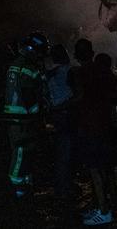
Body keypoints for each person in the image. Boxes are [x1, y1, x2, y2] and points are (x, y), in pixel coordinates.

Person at [75, 52, 117, 226]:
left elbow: (80, 99)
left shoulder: (88, 77)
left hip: (94, 131)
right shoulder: (109, 80)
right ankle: (111, 204)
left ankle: (103, 212)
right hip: (108, 131)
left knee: (95, 171)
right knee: (108, 170)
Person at [4, 31, 48, 199]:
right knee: (21, 152)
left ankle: (24, 184)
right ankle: (17, 187)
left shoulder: (16, 64)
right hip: (24, 118)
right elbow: (29, 94)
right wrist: (38, 115)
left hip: (15, 116)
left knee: (23, 152)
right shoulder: (28, 67)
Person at [44, 44, 75, 202]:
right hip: (67, 116)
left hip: (56, 117)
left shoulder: (49, 74)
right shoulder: (69, 71)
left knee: (60, 154)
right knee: (67, 154)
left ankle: (60, 188)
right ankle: (65, 190)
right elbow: (76, 95)